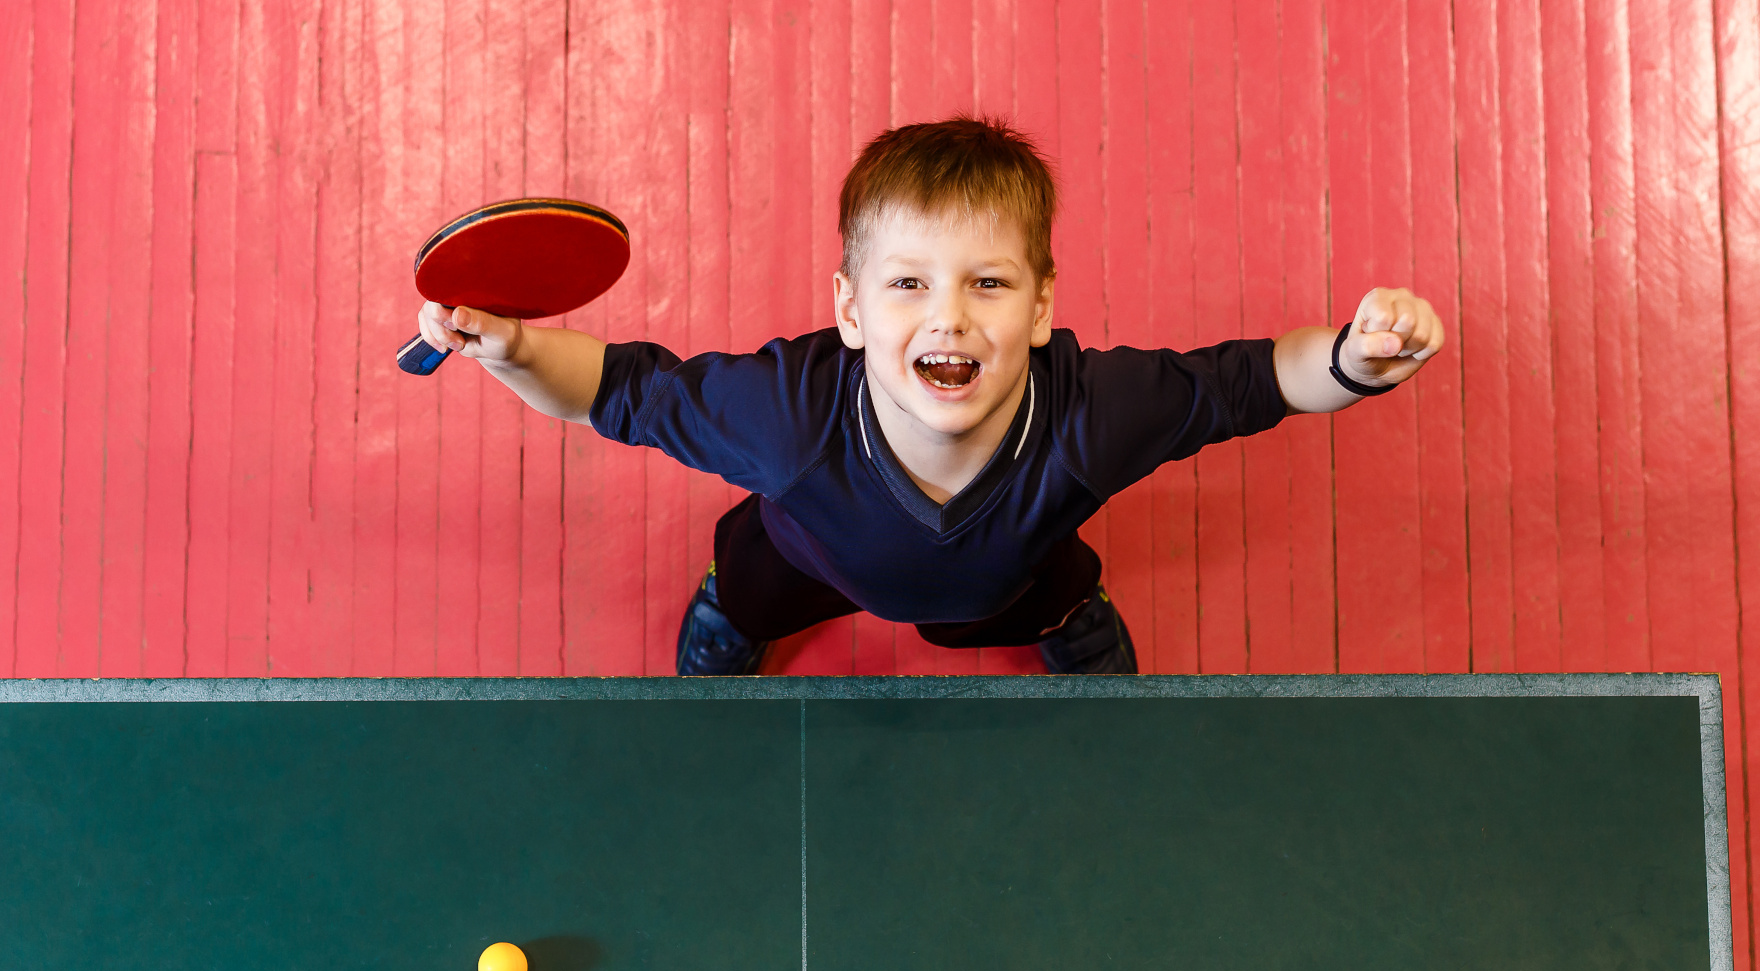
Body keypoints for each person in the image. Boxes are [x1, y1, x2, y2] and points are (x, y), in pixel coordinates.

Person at [414, 117, 1445, 676]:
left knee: (1040, 593)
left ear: (1041, 306)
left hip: (1010, 573)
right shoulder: (786, 415)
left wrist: (1354, 359)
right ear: (851, 309)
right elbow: (612, 387)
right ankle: (734, 611)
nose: (948, 316)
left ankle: (1064, 615)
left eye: (987, 283)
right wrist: (512, 350)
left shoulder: (1091, 414)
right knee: (754, 584)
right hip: (809, 553)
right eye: (908, 283)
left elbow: (1256, 379)